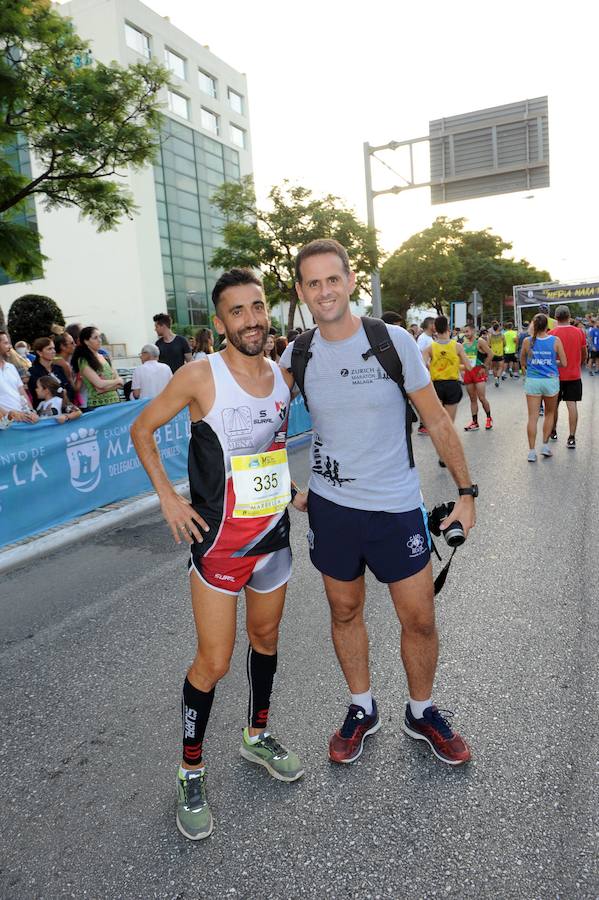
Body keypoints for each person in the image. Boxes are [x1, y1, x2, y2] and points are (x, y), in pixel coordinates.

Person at [280, 239, 476, 768]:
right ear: (301, 291)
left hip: (395, 507)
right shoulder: (296, 354)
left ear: (350, 280)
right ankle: (362, 708)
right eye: (313, 283)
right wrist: (286, 490)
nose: (324, 291)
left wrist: (466, 492)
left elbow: (435, 418)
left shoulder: (392, 342)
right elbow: (264, 428)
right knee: (345, 612)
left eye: (332, 279)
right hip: (332, 509)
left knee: (420, 618)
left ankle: (422, 710)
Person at [132, 268, 304, 842]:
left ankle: (256, 736)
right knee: (214, 662)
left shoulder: (283, 379)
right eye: (238, 311)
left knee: (267, 640)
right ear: (220, 322)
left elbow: (270, 451)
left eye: (258, 307)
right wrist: (168, 499)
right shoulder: (198, 376)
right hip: (220, 546)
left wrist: (292, 493)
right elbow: (141, 430)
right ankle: (190, 769)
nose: (252, 319)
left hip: (273, 539)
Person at [422, 316, 471, 465]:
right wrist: (456, 366)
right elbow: (468, 367)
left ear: (435, 329)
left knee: (438, 423)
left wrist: (434, 369)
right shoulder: (457, 346)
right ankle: (444, 456)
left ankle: (441, 453)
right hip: (452, 385)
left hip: (436, 386)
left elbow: (422, 367)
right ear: (448, 328)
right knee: (449, 423)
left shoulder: (430, 348)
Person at [520, 314, 566, 461]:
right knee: (549, 414)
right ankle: (545, 446)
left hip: (533, 381)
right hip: (550, 381)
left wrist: (530, 366)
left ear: (534, 325)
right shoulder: (555, 340)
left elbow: (522, 360)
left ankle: (532, 452)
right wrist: (550, 362)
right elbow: (564, 363)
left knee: (532, 417)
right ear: (547, 326)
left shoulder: (527, 341)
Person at [548, 305, 588, 448]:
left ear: (556, 318)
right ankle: (571, 437)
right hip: (573, 374)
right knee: (572, 405)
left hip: (555, 375)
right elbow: (584, 352)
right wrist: (580, 363)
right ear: (569, 317)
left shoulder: (551, 333)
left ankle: (553, 431)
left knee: (553, 406)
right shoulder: (579, 332)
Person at [71, 326, 122, 410]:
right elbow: (99, 385)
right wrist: (116, 381)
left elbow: (119, 384)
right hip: (98, 407)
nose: (99, 340)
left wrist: (106, 386)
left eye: (100, 337)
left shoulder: (105, 357)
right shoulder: (83, 360)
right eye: (95, 338)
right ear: (86, 341)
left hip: (115, 403)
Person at [0, 331, 39, 422]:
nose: (10, 347)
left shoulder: (11, 367)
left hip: (22, 423)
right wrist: (9, 415)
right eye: (6, 343)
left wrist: (31, 411)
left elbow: (22, 393)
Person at [462, 324, 493, 431]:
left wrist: (484, 367)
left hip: (478, 372)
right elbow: (462, 360)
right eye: (464, 332)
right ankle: (474, 422)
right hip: (468, 373)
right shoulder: (463, 345)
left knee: (482, 398)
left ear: (473, 331)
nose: (466, 334)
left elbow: (490, 354)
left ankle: (489, 418)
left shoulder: (479, 341)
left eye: (467, 331)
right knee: (472, 399)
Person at [415, 317, 435, 435]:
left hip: (432, 373)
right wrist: (426, 367)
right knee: (426, 401)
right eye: (434, 324)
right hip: (426, 373)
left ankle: (427, 423)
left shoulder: (429, 338)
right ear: (430, 324)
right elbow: (420, 356)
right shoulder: (423, 338)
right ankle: (422, 426)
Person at [488, 322, 505, 386]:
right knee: (501, 367)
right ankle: (498, 377)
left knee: (494, 367)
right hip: (500, 353)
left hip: (493, 354)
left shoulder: (490, 336)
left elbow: (488, 344)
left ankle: (495, 379)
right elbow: (505, 344)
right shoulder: (502, 335)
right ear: (498, 328)